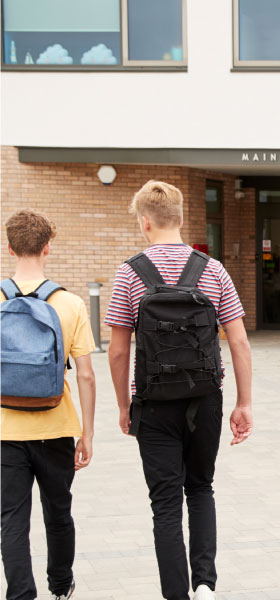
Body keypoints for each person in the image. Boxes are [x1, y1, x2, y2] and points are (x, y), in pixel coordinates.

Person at [106, 180, 253, 600]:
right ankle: (205, 584)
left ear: (144, 222)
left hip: (152, 403)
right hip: (205, 397)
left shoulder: (129, 273)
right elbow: (239, 342)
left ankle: (176, 595)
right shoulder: (213, 270)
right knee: (201, 487)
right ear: (183, 218)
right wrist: (243, 402)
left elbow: (118, 352)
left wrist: (123, 405)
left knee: (165, 502)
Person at [1, 209, 96, 600]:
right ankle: (61, 586)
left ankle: (21, 594)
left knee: (12, 520)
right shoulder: (70, 303)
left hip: (5, 432)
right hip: (57, 427)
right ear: (48, 247)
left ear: (9, 247)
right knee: (58, 513)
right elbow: (86, 375)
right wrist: (86, 433)